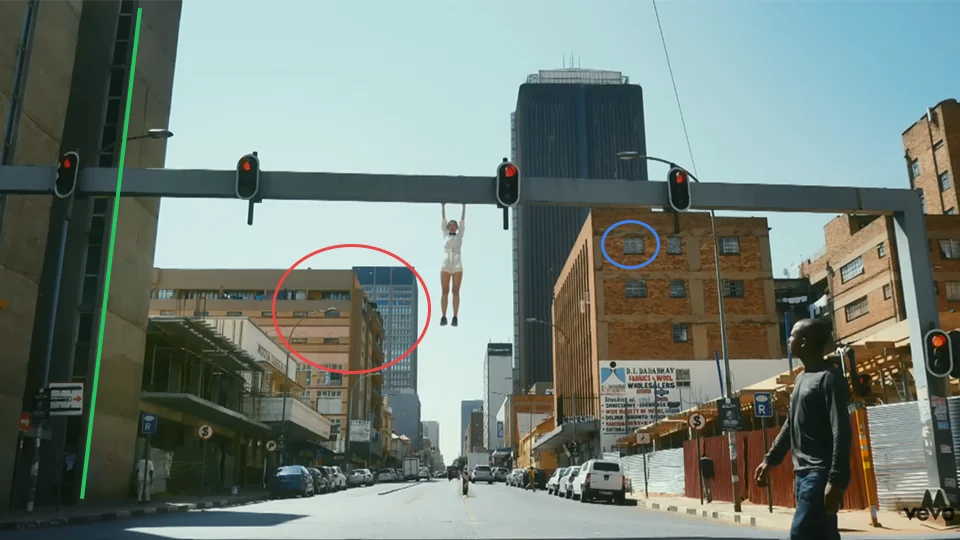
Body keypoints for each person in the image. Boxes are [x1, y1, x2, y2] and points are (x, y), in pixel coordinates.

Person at [754, 318, 850, 540]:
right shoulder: (800, 378)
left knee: (801, 533)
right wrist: (770, 460)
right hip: (802, 474)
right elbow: (790, 424)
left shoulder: (829, 378)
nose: (788, 339)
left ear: (804, 342)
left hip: (820, 474)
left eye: (792, 336)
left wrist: (836, 480)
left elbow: (841, 431)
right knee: (823, 535)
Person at [440, 203, 465, 327]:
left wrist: (463, 207)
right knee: (445, 290)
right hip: (446, 263)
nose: (452, 227)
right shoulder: (445, 235)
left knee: (456, 290)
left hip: (457, 263)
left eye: (454, 226)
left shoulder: (459, 236)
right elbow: (443, 221)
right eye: (450, 226)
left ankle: (455, 316)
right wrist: (443, 207)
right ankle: (443, 316)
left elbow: (462, 222)